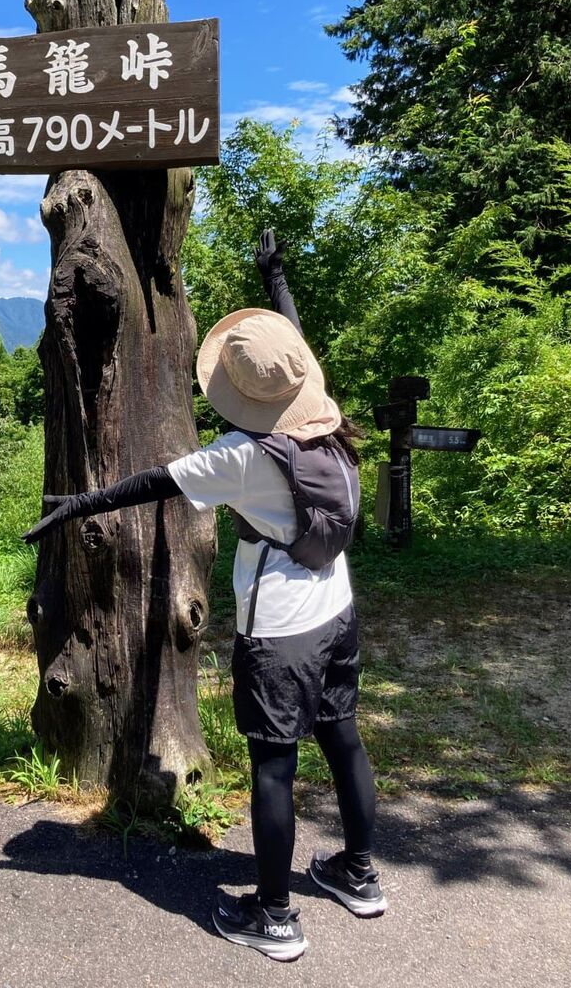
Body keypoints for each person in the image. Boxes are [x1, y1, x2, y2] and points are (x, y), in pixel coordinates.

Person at [22, 229, 386, 963]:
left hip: (280, 628)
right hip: (336, 608)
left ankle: (274, 917)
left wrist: (75, 506)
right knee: (343, 738)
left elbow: (153, 482)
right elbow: (296, 350)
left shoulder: (244, 456)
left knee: (273, 768)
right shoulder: (320, 412)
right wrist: (276, 278)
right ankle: (359, 873)